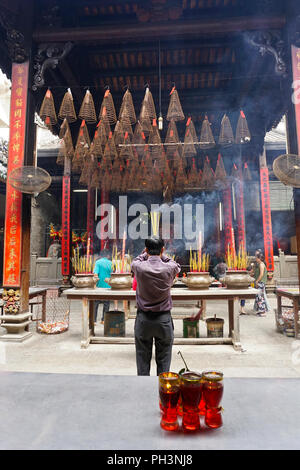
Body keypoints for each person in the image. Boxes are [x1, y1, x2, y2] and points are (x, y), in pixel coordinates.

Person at [131, 237, 181, 376]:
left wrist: (146, 254)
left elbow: (135, 261)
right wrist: (161, 255)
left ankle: (144, 392)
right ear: (162, 250)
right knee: (164, 362)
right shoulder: (170, 267)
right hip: (163, 320)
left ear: (146, 250)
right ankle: (163, 395)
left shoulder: (139, 267)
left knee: (142, 361)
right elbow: (175, 264)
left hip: (143, 319)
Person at [93, 250, 112, 324]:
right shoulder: (111, 263)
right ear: (108, 256)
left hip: (99, 286)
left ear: (101, 256)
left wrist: (94, 284)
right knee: (106, 304)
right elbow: (113, 274)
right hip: (108, 286)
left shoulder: (98, 262)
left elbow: (95, 274)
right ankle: (104, 320)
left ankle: (94, 320)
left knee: (95, 303)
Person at [253, 252, 270, 317]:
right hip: (260, 282)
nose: (256, 259)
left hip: (261, 282)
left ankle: (263, 312)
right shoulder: (259, 264)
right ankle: (261, 310)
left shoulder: (261, 264)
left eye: (256, 258)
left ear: (259, 258)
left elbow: (261, 274)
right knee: (259, 296)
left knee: (260, 297)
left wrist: (257, 281)